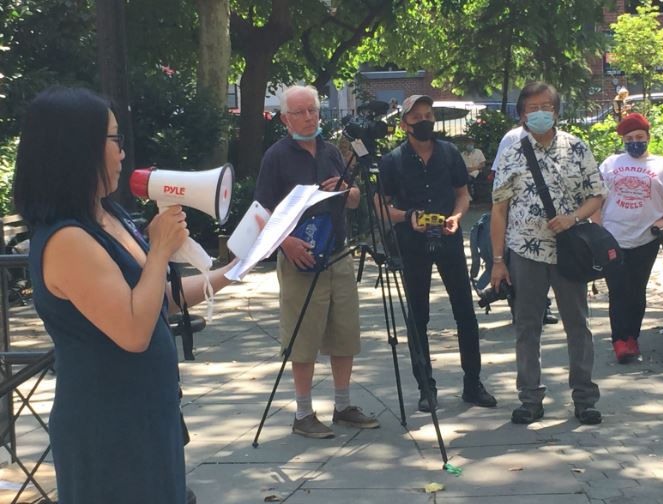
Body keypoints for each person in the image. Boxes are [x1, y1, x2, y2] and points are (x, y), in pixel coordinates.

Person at [13, 87, 239, 503]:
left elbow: (156, 300)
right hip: (108, 425)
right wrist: (159, 250)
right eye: (115, 140)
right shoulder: (67, 239)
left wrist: (228, 273)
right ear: (77, 148)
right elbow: (134, 331)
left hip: (146, 413)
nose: (122, 153)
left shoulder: (106, 213)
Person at [254, 85, 379, 439]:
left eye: (313, 110)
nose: (309, 117)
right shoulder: (276, 156)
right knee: (302, 338)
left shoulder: (331, 151)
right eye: (300, 112)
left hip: (337, 254)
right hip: (300, 257)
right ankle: (304, 413)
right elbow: (260, 212)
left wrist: (350, 191)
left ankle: (343, 406)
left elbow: (353, 201)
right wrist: (286, 243)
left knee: (345, 333)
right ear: (284, 118)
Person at [490, 81, 605, 425]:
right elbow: (499, 210)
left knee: (577, 324)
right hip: (525, 251)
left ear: (556, 111)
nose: (539, 113)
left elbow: (597, 195)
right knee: (527, 326)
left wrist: (574, 218)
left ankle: (584, 398)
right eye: (531, 108)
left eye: (546, 107)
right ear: (522, 115)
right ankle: (530, 398)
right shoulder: (511, 152)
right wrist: (497, 261)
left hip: (569, 251)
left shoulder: (577, 148)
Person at [376, 94, 496, 413]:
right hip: (411, 244)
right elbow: (380, 206)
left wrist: (457, 217)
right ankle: (426, 386)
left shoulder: (449, 153)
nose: (424, 121)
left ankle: (473, 383)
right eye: (416, 117)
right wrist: (407, 216)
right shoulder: (392, 160)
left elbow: (462, 195)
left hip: (449, 239)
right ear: (404, 124)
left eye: (428, 115)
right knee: (418, 316)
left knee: (465, 313)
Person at [597, 113, 663, 363]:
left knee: (636, 289)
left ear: (648, 137)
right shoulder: (610, 164)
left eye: (639, 137)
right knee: (617, 289)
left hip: (645, 239)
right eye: (630, 138)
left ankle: (632, 338)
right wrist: (597, 228)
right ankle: (619, 340)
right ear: (623, 140)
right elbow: (595, 196)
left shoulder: (661, 166)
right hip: (612, 236)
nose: (635, 142)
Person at [490, 123, 559, 326]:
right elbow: (499, 178)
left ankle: (544, 305)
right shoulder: (512, 138)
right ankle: (519, 309)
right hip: (517, 223)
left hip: (552, 224)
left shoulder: (562, 142)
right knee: (519, 271)